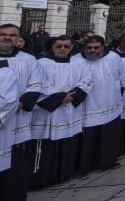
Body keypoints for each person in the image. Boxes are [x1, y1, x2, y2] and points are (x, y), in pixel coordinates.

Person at [30, 35, 92, 187]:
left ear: (71, 48)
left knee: (67, 143)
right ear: (52, 47)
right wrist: (59, 98)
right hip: (46, 114)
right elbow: (37, 84)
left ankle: (64, 175)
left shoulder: (79, 64)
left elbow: (87, 81)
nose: (62, 49)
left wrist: (70, 96)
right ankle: (42, 179)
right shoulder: (40, 64)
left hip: (69, 110)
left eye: (66, 46)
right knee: (46, 145)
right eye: (59, 46)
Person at [0, 23, 44, 201]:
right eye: (3, 34)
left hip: (18, 119)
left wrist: (13, 107)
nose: (7, 38)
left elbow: (36, 85)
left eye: (12, 35)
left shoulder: (29, 60)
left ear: (19, 39)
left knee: (14, 165)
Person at [73, 35, 125, 175]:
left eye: (96, 47)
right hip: (89, 105)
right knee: (89, 138)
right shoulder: (76, 60)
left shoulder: (113, 57)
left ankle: (108, 161)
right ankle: (85, 166)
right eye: (89, 48)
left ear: (103, 47)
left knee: (108, 136)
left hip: (110, 102)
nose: (93, 50)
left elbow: (120, 76)